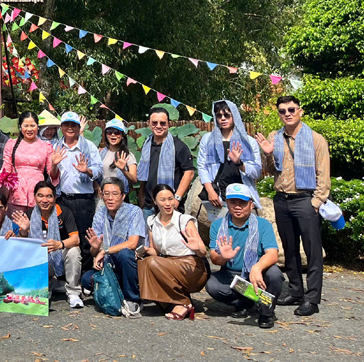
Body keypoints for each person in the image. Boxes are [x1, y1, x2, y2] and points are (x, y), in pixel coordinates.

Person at [255, 95, 330, 317]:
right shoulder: (274, 137)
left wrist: (315, 203)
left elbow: (323, 175)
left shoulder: (316, 139)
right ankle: (296, 291)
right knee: (289, 248)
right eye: (282, 111)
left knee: (312, 250)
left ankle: (312, 298)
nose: (287, 114)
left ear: (300, 111)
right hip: (282, 199)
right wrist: (268, 154)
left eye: (291, 109)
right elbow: (271, 170)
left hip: (305, 200)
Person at [205, 183, 283, 329]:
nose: (237, 206)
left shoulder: (263, 224)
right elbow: (214, 258)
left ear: (251, 204)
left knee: (274, 274)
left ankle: (266, 312)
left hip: (256, 273)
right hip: (231, 273)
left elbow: (273, 254)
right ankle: (244, 303)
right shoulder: (217, 225)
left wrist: (257, 268)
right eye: (233, 202)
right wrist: (224, 257)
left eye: (242, 202)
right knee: (212, 285)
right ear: (227, 203)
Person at [138, 184, 209, 320]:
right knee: (144, 262)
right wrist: (146, 250)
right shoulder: (152, 221)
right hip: (167, 263)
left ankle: (183, 302)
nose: (168, 203)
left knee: (151, 262)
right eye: (163, 200)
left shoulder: (184, 220)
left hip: (191, 266)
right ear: (155, 201)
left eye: (170, 199)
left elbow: (203, 252)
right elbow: (156, 251)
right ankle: (175, 303)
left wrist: (197, 248)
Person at [197, 99, 263, 240]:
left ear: (234, 116)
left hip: (243, 196)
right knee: (222, 237)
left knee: (246, 237)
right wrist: (210, 191)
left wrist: (239, 163)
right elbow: (202, 166)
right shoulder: (208, 140)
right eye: (219, 115)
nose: (223, 119)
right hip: (218, 196)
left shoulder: (248, 142)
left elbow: (257, 171)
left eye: (227, 115)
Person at [82, 177, 147, 318]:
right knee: (86, 279)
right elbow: (94, 252)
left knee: (124, 253)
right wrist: (95, 247)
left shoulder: (134, 211)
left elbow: (132, 243)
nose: (110, 198)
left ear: (123, 196)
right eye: (106, 194)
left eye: (115, 194)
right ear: (101, 195)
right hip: (110, 263)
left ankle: (132, 299)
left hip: (132, 263)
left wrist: (104, 251)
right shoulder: (100, 213)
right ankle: (118, 290)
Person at [11, 180, 82, 308]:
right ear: (34, 197)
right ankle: (48, 285)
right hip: (39, 259)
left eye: (49, 196)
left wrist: (59, 244)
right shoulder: (28, 215)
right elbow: (21, 247)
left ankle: (73, 293)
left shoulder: (64, 212)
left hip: (59, 256)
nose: (44, 200)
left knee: (74, 251)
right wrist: (24, 231)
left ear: (55, 198)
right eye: (40, 196)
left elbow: (76, 239)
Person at [53, 111, 103, 275]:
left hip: (83, 200)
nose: (70, 128)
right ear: (61, 127)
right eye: (66, 125)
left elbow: (99, 169)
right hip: (63, 199)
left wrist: (87, 170)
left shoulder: (88, 146)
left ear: (78, 127)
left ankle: (85, 275)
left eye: (73, 125)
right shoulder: (56, 147)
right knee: (65, 236)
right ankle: (66, 275)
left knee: (85, 237)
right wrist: (53, 164)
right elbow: (52, 175)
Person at [0, 111, 63, 216]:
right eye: (26, 126)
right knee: (16, 225)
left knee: (36, 224)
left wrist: (55, 165)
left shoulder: (46, 146)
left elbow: (53, 176)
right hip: (15, 193)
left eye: (32, 125)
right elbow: (6, 168)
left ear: (38, 127)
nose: (29, 129)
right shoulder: (11, 144)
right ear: (20, 127)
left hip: (38, 195)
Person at [137, 106, 195, 218]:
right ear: (149, 124)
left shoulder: (178, 146)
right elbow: (145, 174)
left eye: (163, 123)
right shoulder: (146, 145)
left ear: (169, 124)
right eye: (155, 123)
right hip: (149, 206)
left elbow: (189, 173)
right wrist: (141, 196)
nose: (158, 126)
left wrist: (176, 199)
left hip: (170, 206)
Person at [97, 118, 137, 193]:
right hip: (104, 195)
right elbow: (95, 175)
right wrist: (97, 187)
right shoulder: (100, 153)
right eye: (109, 132)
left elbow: (134, 180)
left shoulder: (128, 155)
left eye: (117, 132)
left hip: (120, 196)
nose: (113, 134)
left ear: (122, 136)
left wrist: (124, 170)